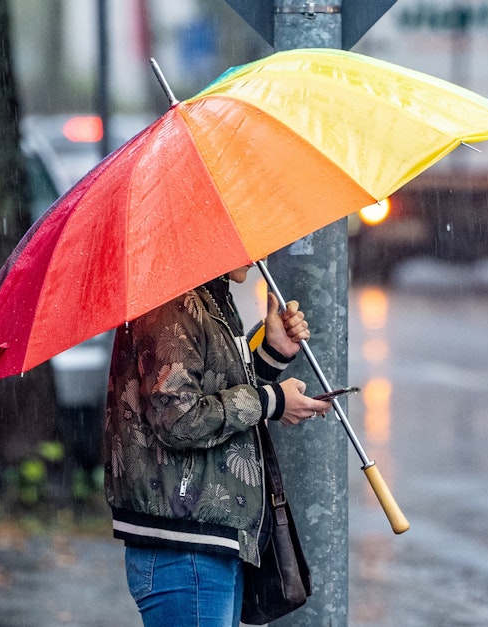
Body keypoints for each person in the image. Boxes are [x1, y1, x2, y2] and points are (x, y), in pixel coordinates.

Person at [103, 263, 332, 626]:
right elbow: (179, 419)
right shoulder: (171, 304)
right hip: (183, 545)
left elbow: (215, 390)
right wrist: (272, 401)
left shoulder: (208, 297)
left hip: (206, 539)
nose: (256, 254)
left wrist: (273, 354)